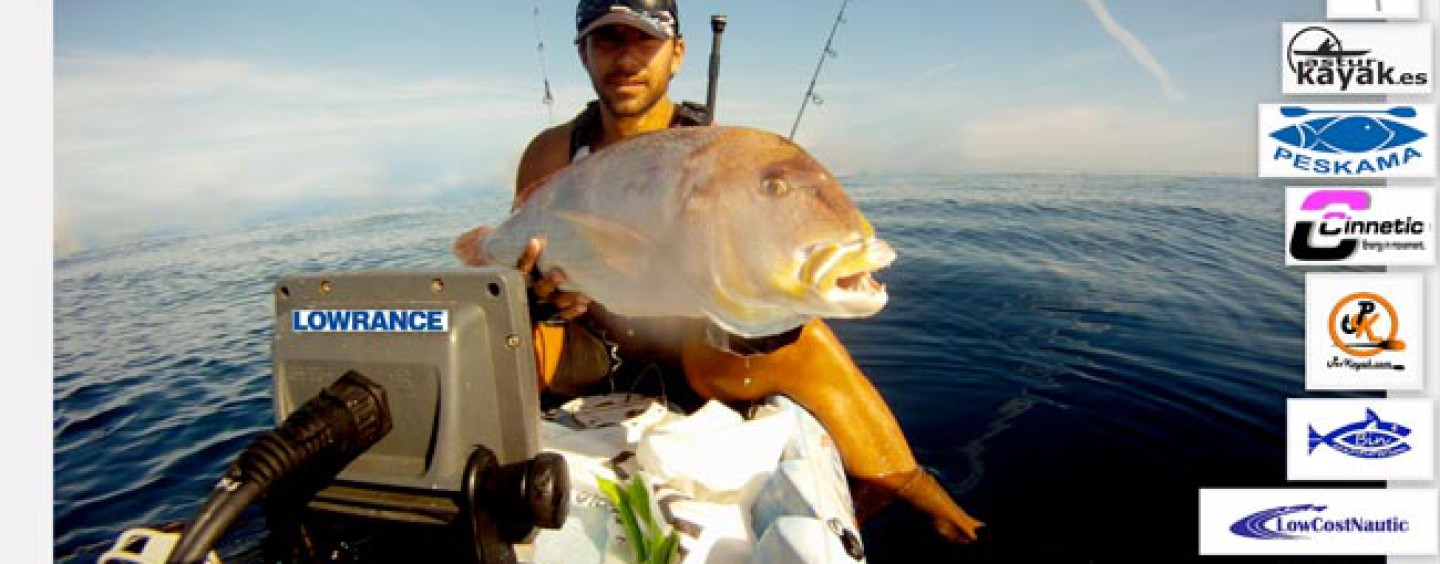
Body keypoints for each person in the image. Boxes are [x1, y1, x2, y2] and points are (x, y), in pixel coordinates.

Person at [454, 0, 984, 545]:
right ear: (583, 54)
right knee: (499, 341)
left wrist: (768, 314)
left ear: (677, 53)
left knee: (809, 342)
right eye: (607, 41)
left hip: (686, 345)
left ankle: (913, 485)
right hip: (582, 338)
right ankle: (465, 487)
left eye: (644, 41)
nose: (626, 59)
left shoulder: (717, 157)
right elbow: (528, 254)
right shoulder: (550, 154)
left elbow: (746, 272)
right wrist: (536, 295)